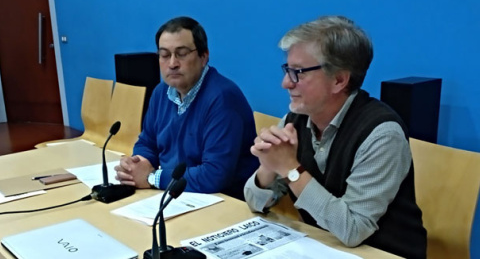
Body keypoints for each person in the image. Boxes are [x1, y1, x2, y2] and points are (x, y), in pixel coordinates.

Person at [244, 16, 426, 258]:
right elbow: (254, 202)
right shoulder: (296, 119)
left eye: (298, 72)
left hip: (381, 252)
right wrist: (269, 166)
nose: (286, 83)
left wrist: (290, 168)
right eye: (287, 70)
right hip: (323, 246)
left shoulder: (382, 133)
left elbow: (353, 229)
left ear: (339, 80)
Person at [115, 16, 258, 200]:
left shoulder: (222, 98)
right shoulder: (161, 92)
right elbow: (147, 142)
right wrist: (137, 165)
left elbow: (214, 175)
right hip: (175, 195)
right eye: (165, 55)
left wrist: (152, 178)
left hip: (222, 201)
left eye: (181, 54)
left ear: (203, 56)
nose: (172, 63)